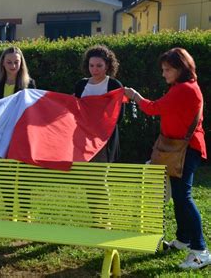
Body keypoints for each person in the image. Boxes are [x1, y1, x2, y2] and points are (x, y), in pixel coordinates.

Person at [124, 47, 208, 269]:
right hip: (182, 148)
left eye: (167, 69)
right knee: (180, 197)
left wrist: (134, 96)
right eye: (163, 69)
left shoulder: (183, 90)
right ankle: (183, 240)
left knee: (184, 198)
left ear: (180, 68)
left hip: (185, 149)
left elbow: (153, 109)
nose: (164, 74)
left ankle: (200, 250)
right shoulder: (183, 87)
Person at [74, 45, 124, 162]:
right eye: (91, 65)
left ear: (107, 66)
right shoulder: (81, 85)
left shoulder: (114, 85)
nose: (94, 69)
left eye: (99, 66)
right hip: (83, 138)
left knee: (100, 175)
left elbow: (119, 116)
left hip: (104, 141)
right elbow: (75, 112)